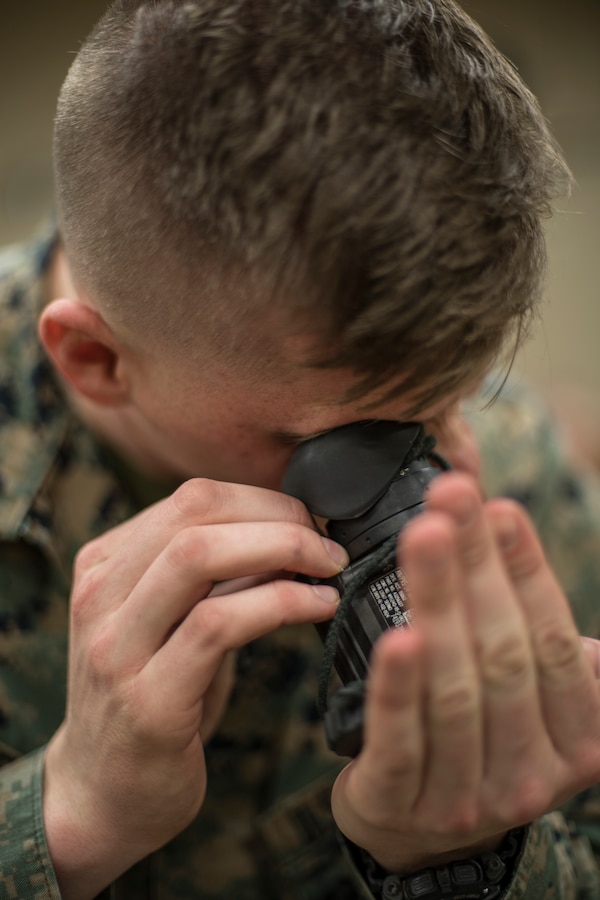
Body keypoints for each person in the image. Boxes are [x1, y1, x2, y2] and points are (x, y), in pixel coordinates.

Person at [2, 0, 600, 897]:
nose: (452, 460)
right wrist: (66, 816)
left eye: (459, 388)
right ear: (95, 360)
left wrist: (463, 863)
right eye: (353, 443)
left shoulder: (517, 474)